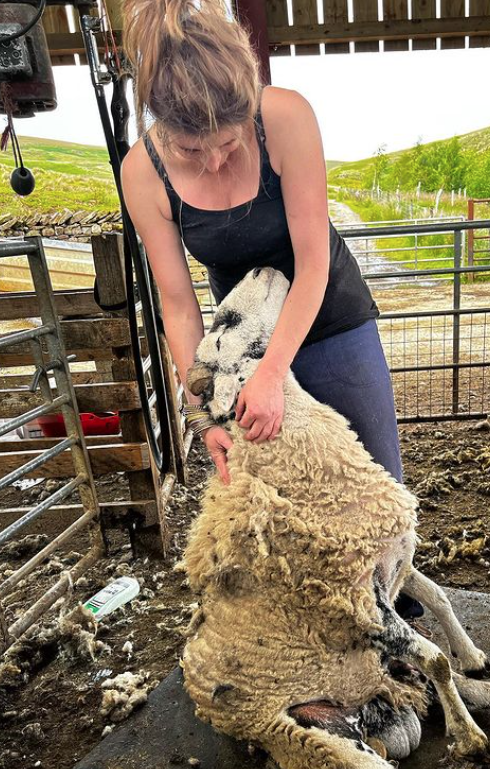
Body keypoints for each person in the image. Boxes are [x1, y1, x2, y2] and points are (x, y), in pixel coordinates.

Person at [121, 0, 422, 617]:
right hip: (243, 338)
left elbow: (312, 263)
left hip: (330, 316)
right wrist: (205, 413)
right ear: (160, 125)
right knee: (272, 492)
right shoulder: (142, 174)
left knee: (374, 483)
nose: (213, 162)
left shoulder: (284, 117)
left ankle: (395, 616)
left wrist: (274, 375)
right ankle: (323, 628)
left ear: (247, 105)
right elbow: (178, 307)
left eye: (227, 143)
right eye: (189, 149)